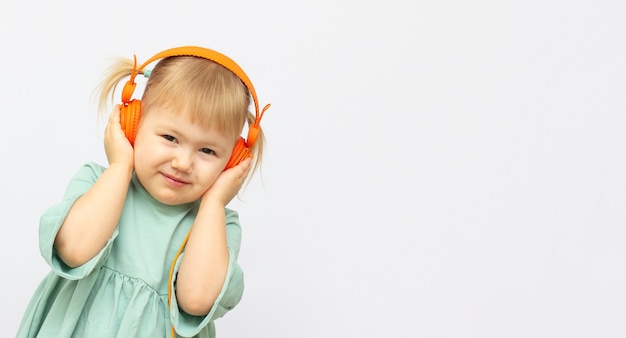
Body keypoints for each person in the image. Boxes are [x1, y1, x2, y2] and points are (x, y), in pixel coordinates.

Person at [16, 46, 270, 338]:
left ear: (233, 159)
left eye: (207, 150)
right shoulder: (98, 181)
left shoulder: (218, 225)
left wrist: (213, 203)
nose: (183, 162)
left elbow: (196, 299)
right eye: (170, 137)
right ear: (133, 124)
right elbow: (74, 251)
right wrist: (121, 166)